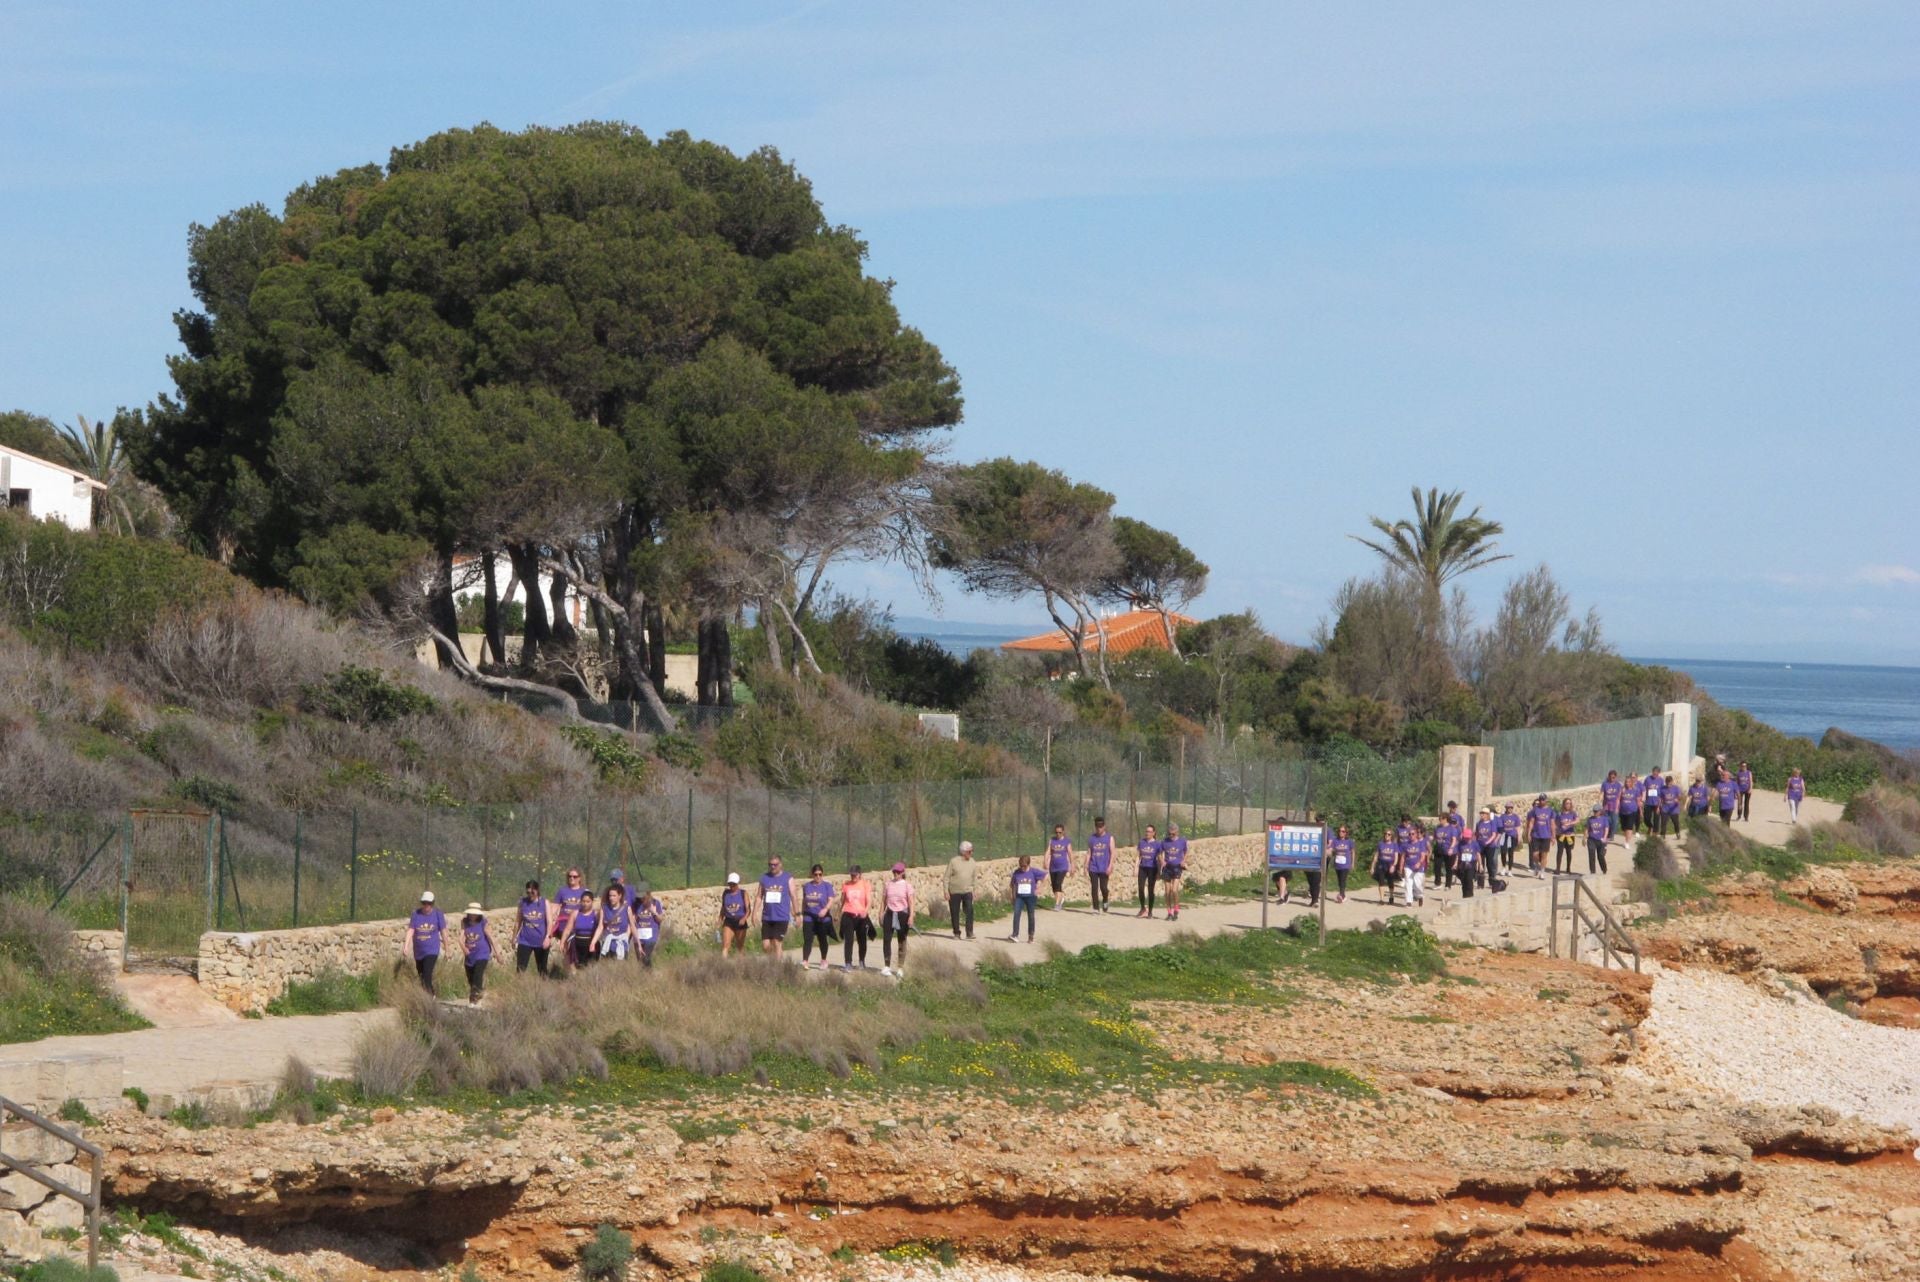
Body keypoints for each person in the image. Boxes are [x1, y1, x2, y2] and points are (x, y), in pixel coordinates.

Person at [797, 864, 837, 969]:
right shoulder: (807, 886)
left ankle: (824, 960)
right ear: (812, 875)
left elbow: (831, 899)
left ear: (822, 874)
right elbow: (804, 900)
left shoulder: (827, 886)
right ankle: (805, 960)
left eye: (820, 874)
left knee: (822, 939)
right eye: (816, 874)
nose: (818, 876)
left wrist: (825, 909)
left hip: (822, 917)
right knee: (808, 939)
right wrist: (801, 913)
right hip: (809, 915)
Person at [880, 862, 916, 977]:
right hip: (890, 913)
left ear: (903, 872)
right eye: (894, 871)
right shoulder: (888, 884)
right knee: (886, 939)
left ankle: (900, 967)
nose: (896, 874)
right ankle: (886, 966)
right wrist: (881, 913)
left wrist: (911, 916)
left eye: (898, 872)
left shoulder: (907, 885)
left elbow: (911, 902)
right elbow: (883, 900)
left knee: (902, 940)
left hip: (902, 914)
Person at [405, 891, 446, 993]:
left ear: (432, 904)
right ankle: (429, 994)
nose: (426, 905)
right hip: (419, 951)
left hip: (432, 950)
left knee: (427, 973)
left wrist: (447, 948)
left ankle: (429, 998)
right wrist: (406, 946)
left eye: (429, 903)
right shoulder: (416, 914)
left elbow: (444, 932)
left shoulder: (438, 914)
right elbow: (411, 930)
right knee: (422, 975)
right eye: (424, 903)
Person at [757, 855, 794, 958]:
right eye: (770, 865)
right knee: (766, 945)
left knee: (776, 942)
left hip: (781, 917)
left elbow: (794, 896)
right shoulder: (764, 878)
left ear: (780, 865)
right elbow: (759, 896)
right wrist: (754, 913)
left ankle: (776, 968)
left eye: (775, 865)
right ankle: (776, 958)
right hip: (767, 917)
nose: (773, 867)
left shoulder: (788, 878)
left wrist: (797, 914)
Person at [514, 880, 555, 975]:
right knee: (520, 969)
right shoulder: (522, 902)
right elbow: (518, 922)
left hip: (541, 941)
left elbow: (549, 921)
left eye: (533, 892)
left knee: (542, 969)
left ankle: (542, 987)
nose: (530, 894)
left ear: (537, 891)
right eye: (528, 892)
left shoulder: (545, 903)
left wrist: (548, 937)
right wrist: (514, 938)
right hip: (525, 940)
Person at [554, 868, 592, 967]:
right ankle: (570, 971)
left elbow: (590, 908)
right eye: (570, 876)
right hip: (564, 924)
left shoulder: (585, 891)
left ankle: (578, 967)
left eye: (574, 877)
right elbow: (555, 907)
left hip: (579, 923)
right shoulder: (562, 891)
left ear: (579, 878)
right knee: (568, 947)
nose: (572, 878)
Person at [459, 903, 491, 1005]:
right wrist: (464, 949)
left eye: (475, 914)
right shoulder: (464, 922)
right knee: (471, 978)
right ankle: (479, 992)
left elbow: (490, 936)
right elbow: (461, 938)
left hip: (482, 953)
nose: (473, 915)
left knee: (478, 974)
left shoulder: (483, 922)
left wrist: (497, 952)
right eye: (471, 913)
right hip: (470, 955)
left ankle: (473, 1000)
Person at [593, 883, 634, 961]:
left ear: (620, 896)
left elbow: (631, 926)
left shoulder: (626, 908)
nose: (611, 898)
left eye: (614, 896)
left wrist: (629, 937)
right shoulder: (604, 908)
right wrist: (593, 942)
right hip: (608, 943)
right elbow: (600, 927)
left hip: (621, 943)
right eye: (610, 896)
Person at [945, 841, 977, 939]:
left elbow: (974, 877)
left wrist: (974, 890)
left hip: (967, 890)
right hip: (954, 891)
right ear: (963, 852)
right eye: (969, 851)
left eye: (972, 851)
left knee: (970, 910)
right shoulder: (953, 861)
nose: (971, 853)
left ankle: (969, 932)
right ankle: (956, 933)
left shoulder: (972, 862)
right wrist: (946, 891)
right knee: (954, 912)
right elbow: (946, 877)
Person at [1008, 854, 1043, 943]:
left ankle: (1031, 937)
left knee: (1031, 916)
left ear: (1028, 864)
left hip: (1031, 897)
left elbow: (1045, 875)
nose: (1022, 868)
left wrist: (1039, 887)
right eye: (1021, 866)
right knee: (1016, 914)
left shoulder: (1033, 871)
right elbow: (1013, 885)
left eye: (1024, 866)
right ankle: (1015, 935)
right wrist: (1013, 896)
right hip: (1019, 897)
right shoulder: (1017, 872)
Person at [632, 884, 667, 968]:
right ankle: (646, 976)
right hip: (639, 934)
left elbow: (660, 919)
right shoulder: (636, 904)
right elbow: (633, 920)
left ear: (648, 894)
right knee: (640, 960)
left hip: (651, 934)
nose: (641, 898)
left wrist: (653, 912)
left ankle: (648, 975)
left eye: (643, 896)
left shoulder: (656, 903)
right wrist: (635, 916)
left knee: (646, 956)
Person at [1085, 817, 1115, 913]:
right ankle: (1096, 907)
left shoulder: (1109, 838)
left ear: (1104, 826)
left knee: (1103, 888)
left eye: (1101, 827)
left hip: (1104, 867)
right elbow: (1089, 852)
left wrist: (1110, 866)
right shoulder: (1092, 838)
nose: (1099, 829)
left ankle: (1105, 900)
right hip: (1093, 866)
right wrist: (1085, 865)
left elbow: (1113, 853)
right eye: (1097, 827)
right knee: (1094, 887)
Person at [1159, 824, 1188, 920]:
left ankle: (1176, 908)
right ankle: (1169, 913)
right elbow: (1160, 853)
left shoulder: (1182, 841)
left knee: (1174, 890)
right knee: (1167, 892)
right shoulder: (1164, 842)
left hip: (1177, 867)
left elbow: (1185, 851)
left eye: (1173, 834)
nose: (1171, 835)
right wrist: (1162, 861)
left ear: (1177, 832)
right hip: (1167, 868)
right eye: (1169, 833)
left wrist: (1184, 861)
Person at [719, 873, 750, 958]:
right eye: (730, 884)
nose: (732, 886)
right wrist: (720, 919)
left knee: (739, 947)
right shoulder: (726, 893)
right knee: (725, 945)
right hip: (729, 921)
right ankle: (723, 965)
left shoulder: (743, 893)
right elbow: (723, 907)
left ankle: (742, 964)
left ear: (737, 883)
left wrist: (744, 918)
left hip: (740, 921)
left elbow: (748, 910)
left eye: (734, 884)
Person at [1044, 824, 1074, 911]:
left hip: (1063, 867)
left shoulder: (1066, 841)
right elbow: (1048, 851)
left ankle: (1057, 904)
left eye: (1060, 832)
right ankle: (1061, 898)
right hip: (1053, 867)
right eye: (1056, 832)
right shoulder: (1052, 840)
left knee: (1058, 883)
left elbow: (1070, 853)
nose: (1058, 834)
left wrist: (1072, 865)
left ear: (1063, 832)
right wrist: (1045, 861)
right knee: (1054, 886)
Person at [1135, 825, 1162, 917]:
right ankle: (1143, 908)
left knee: (1151, 890)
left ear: (1154, 833)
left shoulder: (1157, 844)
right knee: (1140, 888)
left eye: (1150, 831)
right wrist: (1136, 867)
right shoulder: (1141, 842)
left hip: (1152, 868)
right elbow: (1138, 856)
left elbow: (1159, 858)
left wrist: (1159, 872)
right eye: (1146, 831)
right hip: (1143, 867)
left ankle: (1150, 911)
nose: (1147, 833)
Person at [568, 891, 600, 968]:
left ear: (592, 902)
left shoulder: (596, 914)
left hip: (591, 943)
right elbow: (568, 929)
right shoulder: (575, 913)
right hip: (578, 943)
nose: (585, 903)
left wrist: (593, 943)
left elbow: (601, 927)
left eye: (588, 901)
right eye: (583, 901)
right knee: (579, 966)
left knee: (591, 966)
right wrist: (563, 942)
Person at [1526, 795, 1556, 874]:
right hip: (1536, 835)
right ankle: (1536, 866)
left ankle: (1542, 872)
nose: (1541, 801)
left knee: (1544, 855)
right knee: (1535, 854)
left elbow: (1552, 824)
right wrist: (1529, 833)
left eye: (1543, 799)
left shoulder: (1550, 811)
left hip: (1546, 835)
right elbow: (1531, 822)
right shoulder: (1535, 810)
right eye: (1540, 799)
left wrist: (1553, 836)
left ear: (1546, 800)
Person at [1371, 828, 1401, 904]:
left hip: (1390, 865)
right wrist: (1372, 866)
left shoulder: (1394, 845)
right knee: (1381, 881)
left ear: (1391, 836)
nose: (1386, 836)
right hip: (1381, 864)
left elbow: (1396, 857)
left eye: (1389, 834)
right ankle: (1381, 899)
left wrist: (1393, 866)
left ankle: (1391, 896)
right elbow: (1376, 856)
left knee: (1390, 882)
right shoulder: (1380, 844)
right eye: (1385, 834)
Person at [1401, 826, 1428, 907]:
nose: (1411, 835)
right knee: (1408, 883)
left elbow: (1423, 856)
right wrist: (1401, 867)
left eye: (1413, 834)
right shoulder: (1406, 844)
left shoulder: (1420, 844)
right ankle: (1409, 902)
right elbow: (1403, 856)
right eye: (1409, 834)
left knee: (1418, 884)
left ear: (1416, 834)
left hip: (1418, 867)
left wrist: (1419, 863)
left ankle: (1420, 896)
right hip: (1408, 866)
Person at [1327, 824, 1354, 903]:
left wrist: (1352, 863)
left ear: (1346, 833)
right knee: (1339, 880)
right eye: (1339, 831)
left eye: (1343, 831)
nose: (1341, 833)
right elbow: (1331, 849)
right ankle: (1343, 894)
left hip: (1346, 864)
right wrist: (1327, 852)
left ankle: (1341, 895)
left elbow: (1353, 852)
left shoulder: (1349, 841)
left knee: (1343, 879)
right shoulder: (1335, 841)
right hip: (1338, 863)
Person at [1554, 797, 1579, 875]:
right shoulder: (1559, 813)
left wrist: (1569, 823)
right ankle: (1558, 868)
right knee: (1560, 852)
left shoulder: (1573, 813)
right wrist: (1556, 830)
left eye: (1570, 803)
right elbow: (1555, 823)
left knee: (1569, 852)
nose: (1568, 805)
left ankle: (1568, 868)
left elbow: (1577, 820)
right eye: (1567, 803)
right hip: (1561, 835)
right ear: (1564, 804)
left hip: (1569, 835)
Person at [1454, 829, 1480, 899]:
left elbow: (1478, 854)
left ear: (1471, 836)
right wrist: (1455, 864)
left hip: (1471, 863)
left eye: (1468, 837)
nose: (1466, 839)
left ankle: (1470, 895)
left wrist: (1480, 865)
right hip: (1463, 863)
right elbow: (1458, 854)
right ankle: (1465, 895)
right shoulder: (1460, 844)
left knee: (1469, 879)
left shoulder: (1475, 844)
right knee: (1463, 880)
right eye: (1465, 837)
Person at [1585, 805, 1611, 875]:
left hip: (1601, 840)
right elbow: (1587, 829)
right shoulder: (1590, 819)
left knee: (1601, 856)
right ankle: (1592, 871)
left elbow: (1606, 829)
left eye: (1596, 811)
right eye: (1594, 811)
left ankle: (1604, 869)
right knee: (1591, 855)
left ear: (1600, 811)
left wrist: (1605, 837)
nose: (1595, 812)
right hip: (1591, 839)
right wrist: (1584, 838)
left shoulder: (1604, 819)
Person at [1600, 771, 1623, 839]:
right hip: (1606, 806)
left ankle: (1612, 834)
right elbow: (1601, 793)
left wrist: (1616, 808)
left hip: (1614, 806)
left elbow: (1619, 797)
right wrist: (1599, 802)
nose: (1611, 778)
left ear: (1615, 777)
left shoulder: (1618, 785)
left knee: (1614, 822)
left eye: (1613, 777)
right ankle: (1607, 834)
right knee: (1607, 821)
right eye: (1610, 777)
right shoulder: (1605, 784)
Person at [1499, 804, 1521, 872]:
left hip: (1512, 837)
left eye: (1511, 808)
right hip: (1504, 836)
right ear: (1506, 808)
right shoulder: (1502, 816)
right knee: (1503, 852)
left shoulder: (1515, 817)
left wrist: (1519, 836)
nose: (1509, 809)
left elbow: (1518, 827)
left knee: (1511, 853)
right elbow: (1500, 827)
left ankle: (1510, 870)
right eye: (1508, 808)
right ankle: (1503, 867)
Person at [1619, 773, 1642, 838]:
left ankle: (1627, 842)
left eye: (1629, 782)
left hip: (1632, 811)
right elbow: (1618, 799)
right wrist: (1617, 808)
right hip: (1623, 811)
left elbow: (1638, 801)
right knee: (1624, 827)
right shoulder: (1622, 790)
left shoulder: (1635, 790)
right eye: (1626, 782)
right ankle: (1626, 836)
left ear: (1631, 782)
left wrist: (1640, 811)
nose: (1627, 783)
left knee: (1629, 827)